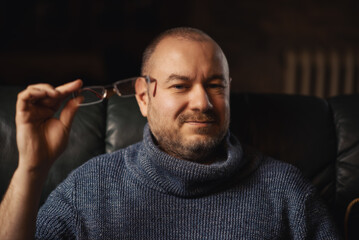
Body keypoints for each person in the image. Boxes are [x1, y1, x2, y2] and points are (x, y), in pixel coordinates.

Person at [0, 27, 340, 239]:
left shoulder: (287, 192)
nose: (203, 102)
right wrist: (31, 167)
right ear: (144, 97)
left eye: (215, 85)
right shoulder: (88, 189)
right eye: (180, 85)